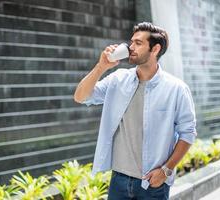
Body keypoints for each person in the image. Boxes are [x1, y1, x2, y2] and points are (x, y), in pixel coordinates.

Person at [73, 22, 197, 199]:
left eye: (138, 43)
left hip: (152, 183)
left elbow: (188, 133)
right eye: (131, 42)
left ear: (155, 49)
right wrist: (101, 67)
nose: (131, 47)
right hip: (119, 180)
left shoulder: (176, 89)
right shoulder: (118, 79)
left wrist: (166, 170)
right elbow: (80, 97)